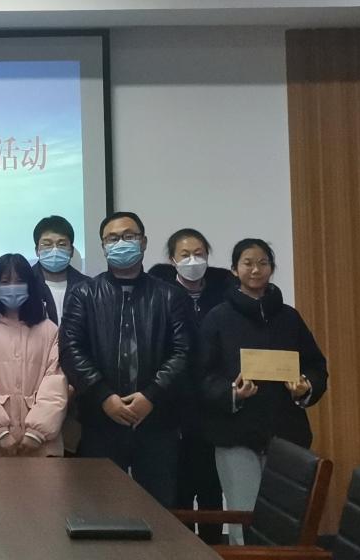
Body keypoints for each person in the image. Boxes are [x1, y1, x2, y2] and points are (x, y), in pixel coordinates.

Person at [198, 238, 328, 545]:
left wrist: (305, 387)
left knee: (286, 518)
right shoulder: (218, 317)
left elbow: (316, 365)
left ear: (271, 268)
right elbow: (202, 375)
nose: (255, 269)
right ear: (234, 269)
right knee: (244, 518)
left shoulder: (289, 317)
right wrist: (232, 392)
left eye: (263, 263)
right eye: (247, 263)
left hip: (286, 435)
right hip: (235, 434)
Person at [59, 211, 192, 507]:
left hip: (158, 421)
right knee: (99, 509)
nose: (121, 243)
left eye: (129, 236)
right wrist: (104, 396)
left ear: (143, 242)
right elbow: (70, 349)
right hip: (100, 421)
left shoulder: (171, 296)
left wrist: (151, 395)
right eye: (112, 238)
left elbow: (183, 352)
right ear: (103, 246)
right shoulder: (84, 294)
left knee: (159, 511)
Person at [149, 228, 232, 543]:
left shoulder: (225, 293)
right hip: (172, 409)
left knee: (212, 488)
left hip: (216, 407)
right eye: (184, 255)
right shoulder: (160, 295)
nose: (193, 260)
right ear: (172, 260)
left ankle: (214, 549)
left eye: (199, 253)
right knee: (178, 489)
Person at [0, 253, 69, 457]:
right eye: (5, 282)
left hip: (41, 445)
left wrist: (37, 432)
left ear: (30, 285)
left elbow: (56, 383)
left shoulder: (49, 330)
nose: (12, 287)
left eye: (19, 281)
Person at [31, 215, 89, 324]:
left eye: (62, 244)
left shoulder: (88, 287)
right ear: (36, 250)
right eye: (47, 244)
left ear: (71, 251)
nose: (55, 250)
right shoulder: (26, 283)